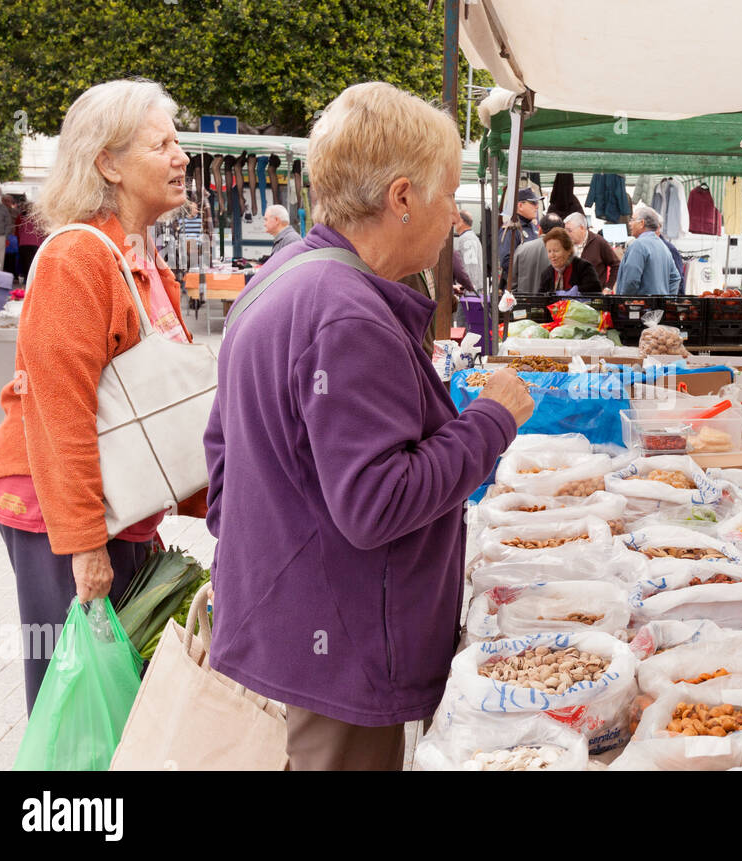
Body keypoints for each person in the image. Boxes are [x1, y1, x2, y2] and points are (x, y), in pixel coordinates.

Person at [204, 82, 534, 771]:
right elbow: (377, 503)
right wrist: (492, 420)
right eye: (449, 195)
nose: (452, 216)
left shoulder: (284, 277)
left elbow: (224, 463)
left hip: (292, 632)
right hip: (340, 654)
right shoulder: (347, 312)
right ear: (403, 196)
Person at [0, 79, 209, 714]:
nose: (181, 156)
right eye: (162, 143)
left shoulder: (140, 260)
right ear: (108, 163)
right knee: (76, 703)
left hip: (118, 509)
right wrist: (84, 545)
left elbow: (159, 411)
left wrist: (211, 503)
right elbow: (61, 413)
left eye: (178, 141)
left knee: (119, 697)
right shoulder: (78, 257)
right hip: (58, 517)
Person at [615, 204, 681, 296]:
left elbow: (631, 280)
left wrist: (625, 301)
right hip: (658, 308)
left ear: (642, 223)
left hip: (639, 308)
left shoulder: (638, 245)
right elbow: (675, 278)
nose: (630, 223)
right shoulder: (663, 246)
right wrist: (666, 300)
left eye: (632, 220)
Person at [540, 226, 602, 295]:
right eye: (549, 251)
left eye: (556, 251)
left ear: (568, 250)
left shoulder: (584, 268)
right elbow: (540, 297)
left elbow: (596, 290)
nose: (552, 255)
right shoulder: (546, 274)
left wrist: (576, 292)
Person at [511, 213, 562, 294]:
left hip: (525, 303)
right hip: (552, 305)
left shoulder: (522, 248)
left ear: (540, 229)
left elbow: (512, 284)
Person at [498, 187, 538, 288]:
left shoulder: (533, 227)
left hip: (532, 284)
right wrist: (528, 272)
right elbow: (506, 261)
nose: (537, 207)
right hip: (518, 287)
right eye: (533, 203)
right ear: (520, 205)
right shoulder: (511, 229)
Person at [565, 212, 618, 288]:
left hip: (594, 296)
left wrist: (608, 287)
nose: (567, 234)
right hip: (571, 295)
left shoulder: (599, 242)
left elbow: (616, 265)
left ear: (582, 228)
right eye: (565, 231)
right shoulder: (566, 244)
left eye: (569, 230)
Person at [453, 209, 485, 290]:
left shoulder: (467, 239)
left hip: (469, 293)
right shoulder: (471, 237)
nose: (453, 223)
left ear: (461, 221)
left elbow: (471, 268)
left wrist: (469, 288)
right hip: (473, 290)